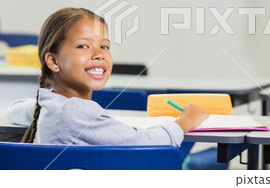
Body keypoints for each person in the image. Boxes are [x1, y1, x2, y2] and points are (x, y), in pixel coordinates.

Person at [20, 7, 208, 145]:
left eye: (104, 46)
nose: (99, 54)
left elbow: (16, 110)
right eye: (83, 46)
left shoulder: (49, 106)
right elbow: (144, 142)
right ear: (53, 61)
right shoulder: (75, 112)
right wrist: (185, 122)